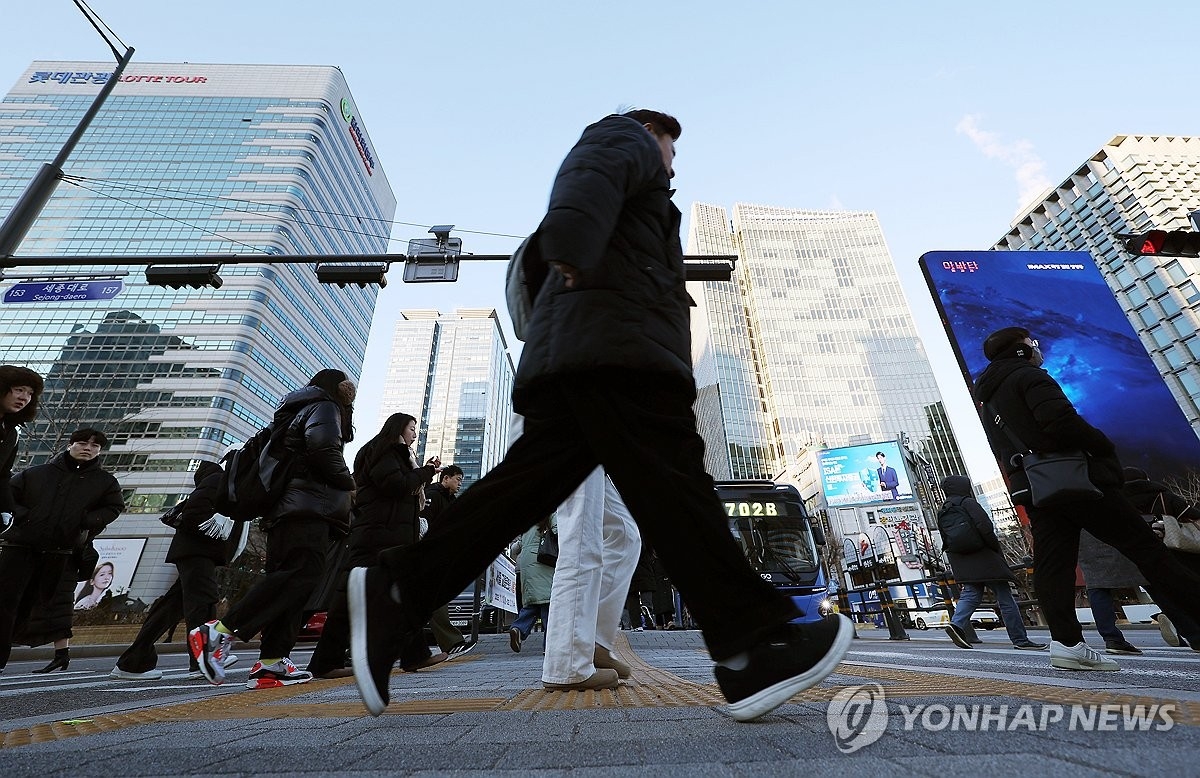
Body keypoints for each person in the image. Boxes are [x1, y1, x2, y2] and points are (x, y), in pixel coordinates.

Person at [346, 108, 852, 721]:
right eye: (672, 145)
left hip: (601, 346)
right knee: (677, 494)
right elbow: (586, 180)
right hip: (614, 347)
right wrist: (574, 248)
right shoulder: (625, 137)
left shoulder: (643, 194)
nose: (673, 161)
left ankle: (397, 591)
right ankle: (751, 646)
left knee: (524, 493)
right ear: (653, 134)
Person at [973, 326, 1200, 671]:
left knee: (1053, 564)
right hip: (1077, 481)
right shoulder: (1030, 377)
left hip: (1037, 488)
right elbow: (1060, 422)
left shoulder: (988, 398)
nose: (1037, 348)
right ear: (1020, 350)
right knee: (1147, 549)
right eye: (1032, 343)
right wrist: (1102, 445)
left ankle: (1067, 644)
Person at [190, 369, 356, 689]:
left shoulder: (293, 412)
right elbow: (322, 448)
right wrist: (349, 486)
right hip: (307, 510)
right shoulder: (324, 406)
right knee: (301, 576)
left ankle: (271, 663)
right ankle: (217, 631)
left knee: (290, 586)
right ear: (340, 389)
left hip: (286, 511)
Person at [306, 412, 445, 680]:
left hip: (381, 535)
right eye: (412, 428)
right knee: (368, 596)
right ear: (398, 428)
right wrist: (426, 473)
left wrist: (420, 471)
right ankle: (328, 662)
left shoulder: (389, 453)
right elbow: (395, 485)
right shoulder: (386, 451)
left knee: (385, 596)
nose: (415, 434)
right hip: (378, 537)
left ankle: (412, 655)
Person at [0, 428, 123, 673]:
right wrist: (26, 517)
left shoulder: (105, 482)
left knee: (36, 606)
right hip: (20, 547)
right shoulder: (37, 473)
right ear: (69, 445)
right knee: (4, 603)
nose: (88, 448)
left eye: (95, 445)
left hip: (61, 553)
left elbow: (113, 508)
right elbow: (10, 495)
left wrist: (86, 521)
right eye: (82, 443)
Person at [111, 461, 248, 681]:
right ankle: (202, 660)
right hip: (196, 552)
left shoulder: (227, 483)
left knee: (170, 609)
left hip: (197, 553)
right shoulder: (217, 480)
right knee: (203, 602)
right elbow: (194, 512)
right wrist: (214, 532)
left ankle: (132, 662)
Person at [541, 467, 641, 691]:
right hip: (578, 439)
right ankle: (567, 665)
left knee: (624, 535)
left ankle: (593, 643)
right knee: (580, 543)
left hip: (597, 451)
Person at [937, 475, 1046, 651]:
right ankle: (1020, 639)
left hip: (961, 559)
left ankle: (956, 623)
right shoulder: (968, 502)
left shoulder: (943, 509)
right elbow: (985, 527)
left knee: (971, 593)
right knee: (1004, 596)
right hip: (984, 556)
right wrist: (995, 549)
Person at [1119, 466, 1200, 651]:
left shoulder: (1119, 503)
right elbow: (1193, 515)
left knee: (1166, 596)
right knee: (1190, 586)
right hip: (1180, 550)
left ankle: (1192, 634)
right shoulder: (1161, 494)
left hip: (1146, 555)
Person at [418, 465, 475, 660]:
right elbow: (423, 526)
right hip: (429, 555)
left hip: (442, 555)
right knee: (435, 599)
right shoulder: (432, 495)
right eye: (457, 479)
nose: (460, 483)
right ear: (446, 478)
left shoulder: (451, 500)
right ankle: (452, 642)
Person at [0, 365, 43, 535]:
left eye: (30, 393)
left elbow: (2, 477)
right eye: (19, 390)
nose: (24, 398)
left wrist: (7, 511)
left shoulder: (11, 434)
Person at [508, 517, 556, 655]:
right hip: (544, 561)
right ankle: (549, 647)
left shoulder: (529, 520)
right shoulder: (551, 514)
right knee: (549, 607)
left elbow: (516, 548)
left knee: (532, 604)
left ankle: (518, 628)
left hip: (526, 565)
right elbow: (559, 533)